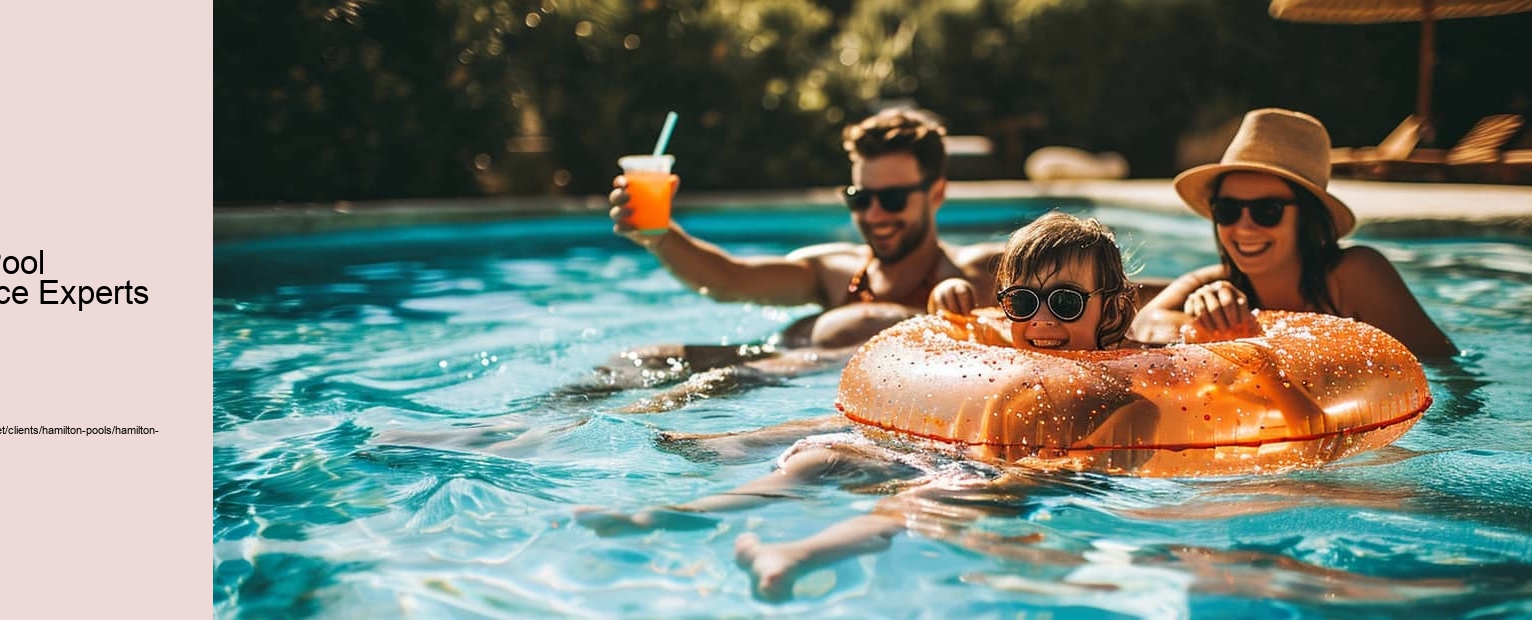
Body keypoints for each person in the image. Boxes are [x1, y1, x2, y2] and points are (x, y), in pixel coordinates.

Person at [582, 213, 1240, 599]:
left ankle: (798, 557)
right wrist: (955, 299)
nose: (1041, 322)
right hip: (964, 448)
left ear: (1112, 311)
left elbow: (1138, 429)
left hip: (1044, 477)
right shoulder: (1003, 354)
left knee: (933, 494)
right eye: (1022, 303)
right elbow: (959, 375)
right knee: (829, 454)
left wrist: (1039, 471)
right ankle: (682, 515)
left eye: (1066, 304)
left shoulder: (1123, 372)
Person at [576, 108, 1005, 412]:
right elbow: (730, 280)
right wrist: (660, 236)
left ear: (936, 194)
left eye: (892, 198)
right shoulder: (834, 270)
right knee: (643, 358)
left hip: (796, 379)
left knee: (718, 383)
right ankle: (527, 425)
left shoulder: (976, 274)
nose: (874, 215)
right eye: (860, 198)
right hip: (776, 360)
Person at [1131, 108, 1457, 357]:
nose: (1244, 227)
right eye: (1228, 210)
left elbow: (1446, 369)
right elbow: (1143, 326)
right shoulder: (1211, 284)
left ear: (1306, 218)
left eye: (1266, 211)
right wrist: (1205, 320)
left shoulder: (1354, 275)